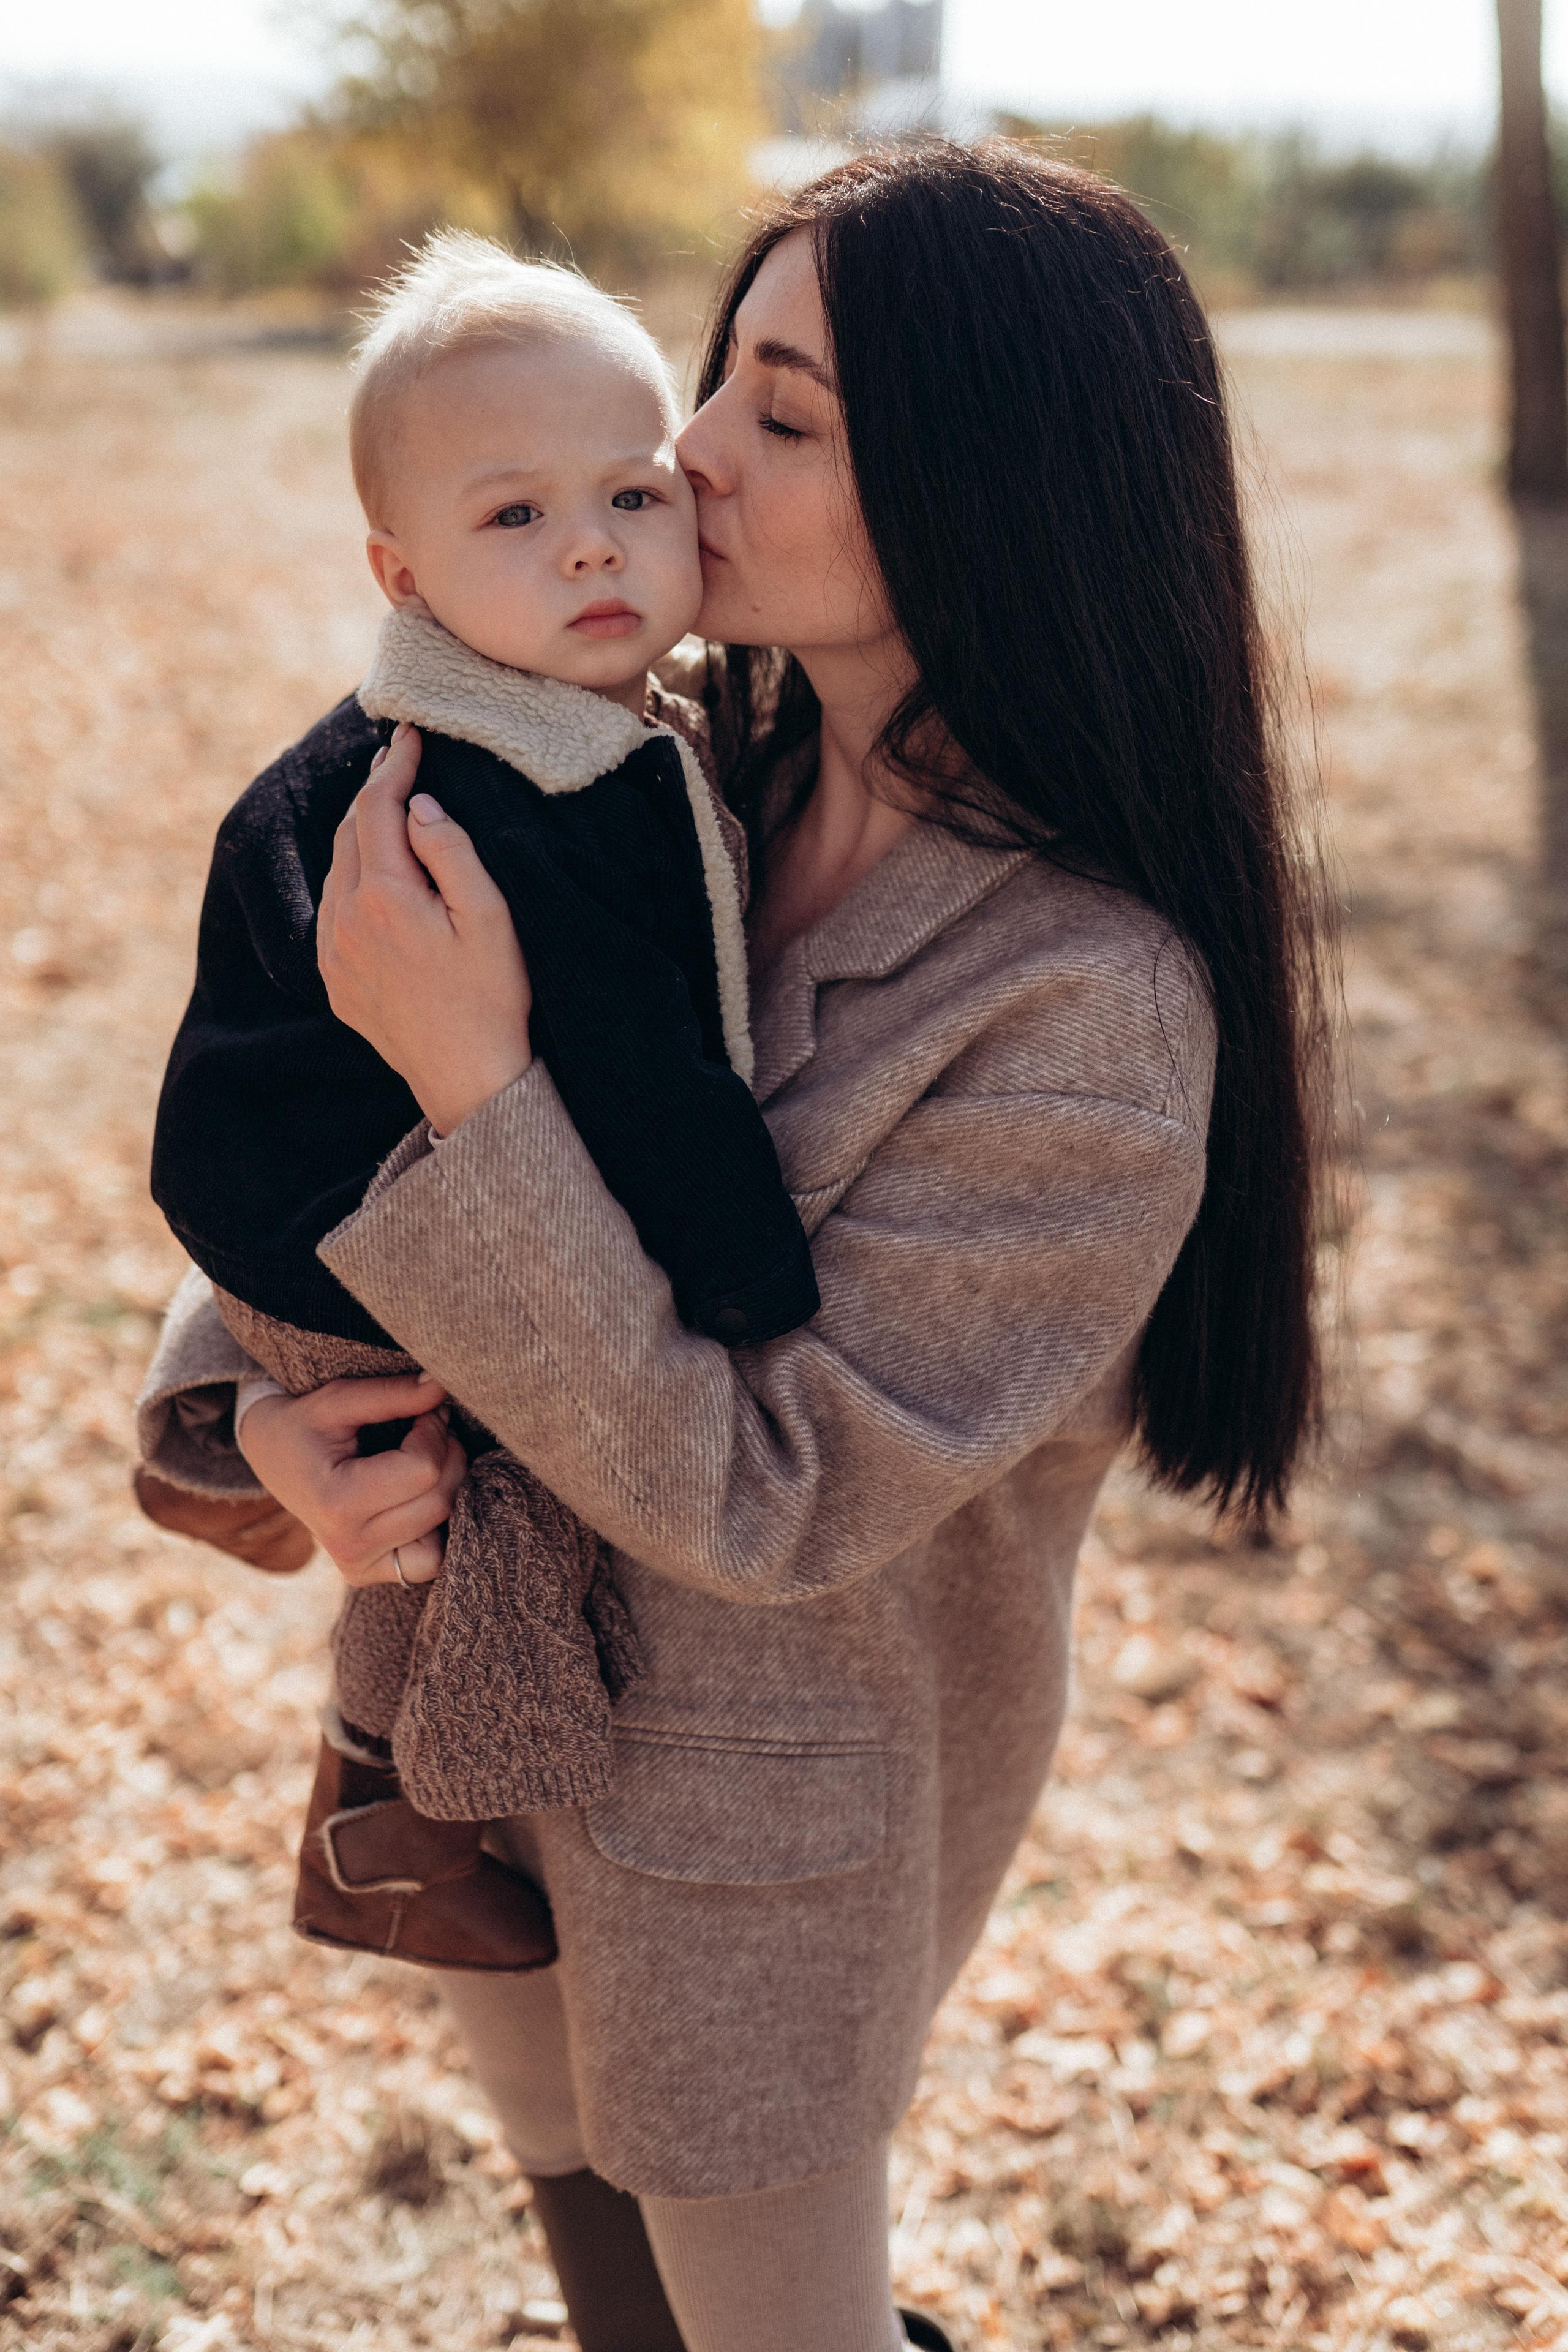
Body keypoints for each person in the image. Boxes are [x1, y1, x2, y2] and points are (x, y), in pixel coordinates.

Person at [137, 143, 1330, 2352]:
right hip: (488, 1737)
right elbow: (328, 1104)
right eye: (722, 379)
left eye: (781, 416)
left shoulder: (1085, 1008)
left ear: (985, 494)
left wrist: (486, 1087)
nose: (679, 456)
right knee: (602, 2285)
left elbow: (766, 1494)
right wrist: (253, 1416)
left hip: (752, 1833)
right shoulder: (650, 768)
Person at [137, 230, 818, 1974]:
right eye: (514, 517)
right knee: (488, 1488)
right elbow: (639, 1069)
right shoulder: (527, 796)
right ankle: (404, 1802)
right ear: (405, 572)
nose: (594, 543)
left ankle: (361, 1760)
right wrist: (745, 1276)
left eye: (631, 493)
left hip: (291, 1178)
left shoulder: (528, 722)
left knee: (416, 1457)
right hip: (336, 1211)